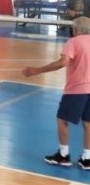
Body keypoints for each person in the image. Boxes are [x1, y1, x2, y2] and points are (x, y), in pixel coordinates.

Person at [23, 17, 90, 169]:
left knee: (62, 120)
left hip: (76, 90)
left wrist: (36, 71)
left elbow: (63, 62)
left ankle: (63, 155)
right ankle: (87, 158)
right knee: (88, 123)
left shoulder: (73, 42)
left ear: (77, 29)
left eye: (73, 27)